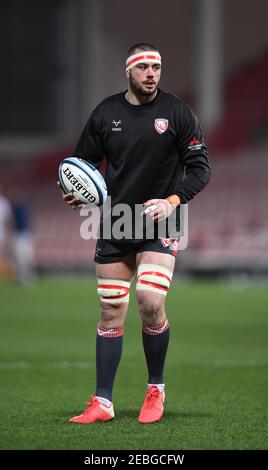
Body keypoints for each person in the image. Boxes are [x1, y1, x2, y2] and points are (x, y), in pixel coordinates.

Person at [58, 43, 211, 424]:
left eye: (157, 66)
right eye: (143, 66)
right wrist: (77, 194)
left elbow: (200, 169)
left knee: (148, 299)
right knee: (111, 310)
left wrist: (173, 201)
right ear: (128, 71)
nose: (151, 73)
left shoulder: (178, 112)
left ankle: (155, 388)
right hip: (116, 221)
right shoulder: (105, 114)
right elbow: (82, 166)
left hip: (161, 220)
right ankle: (102, 403)